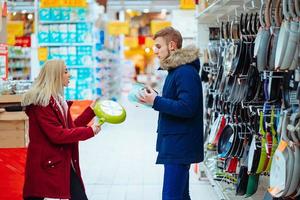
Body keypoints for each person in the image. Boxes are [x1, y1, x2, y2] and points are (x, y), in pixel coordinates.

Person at [138, 27, 204, 200]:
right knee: (181, 195)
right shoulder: (177, 71)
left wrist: (157, 101)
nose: (155, 51)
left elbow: (187, 108)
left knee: (171, 196)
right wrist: (153, 100)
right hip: (176, 142)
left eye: (158, 46)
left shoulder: (185, 72)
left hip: (180, 144)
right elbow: (179, 103)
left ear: (172, 46)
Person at [21, 59, 101, 200]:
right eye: (65, 71)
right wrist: (90, 131)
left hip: (59, 161)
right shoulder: (42, 103)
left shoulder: (58, 100)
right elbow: (57, 135)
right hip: (47, 164)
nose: (69, 75)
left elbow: (69, 128)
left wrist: (90, 111)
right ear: (55, 75)